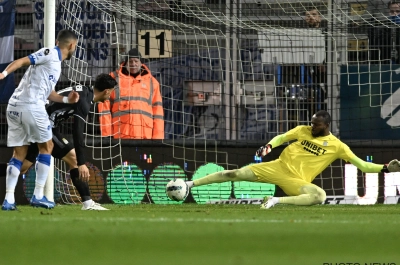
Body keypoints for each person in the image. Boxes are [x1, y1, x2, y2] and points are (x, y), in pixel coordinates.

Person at [179, 110, 400, 208]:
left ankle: (274, 201)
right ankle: (189, 184)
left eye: (317, 124)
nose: (312, 126)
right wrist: (269, 146)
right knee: (233, 173)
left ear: (327, 125)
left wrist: (385, 168)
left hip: (296, 180)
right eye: (312, 122)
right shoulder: (302, 130)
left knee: (319, 195)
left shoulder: (338, 146)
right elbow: (282, 137)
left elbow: (362, 165)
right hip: (276, 167)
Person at [0, 29, 79, 211]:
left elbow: (48, 92)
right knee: (48, 147)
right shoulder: (50, 53)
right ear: (71, 45)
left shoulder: (55, 63)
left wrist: (67, 100)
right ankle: (37, 195)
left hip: (14, 107)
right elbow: (22, 61)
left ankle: (9, 200)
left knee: (19, 154)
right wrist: (3, 74)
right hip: (31, 106)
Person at [17, 73, 117, 211]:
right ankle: (87, 203)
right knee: (74, 159)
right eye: (111, 92)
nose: (110, 96)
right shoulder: (84, 101)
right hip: (43, 123)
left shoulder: (84, 92)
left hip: (40, 122)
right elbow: (77, 132)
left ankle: (88, 203)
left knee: (22, 166)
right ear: (107, 91)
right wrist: (82, 164)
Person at [98, 48, 164, 139]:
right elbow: (104, 108)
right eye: (130, 61)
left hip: (145, 137)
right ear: (125, 63)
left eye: (136, 61)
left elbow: (158, 112)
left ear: (141, 63)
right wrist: (107, 134)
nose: (133, 64)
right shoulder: (113, 79)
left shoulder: (152, 83)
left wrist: (158, 138)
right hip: (120, 136)